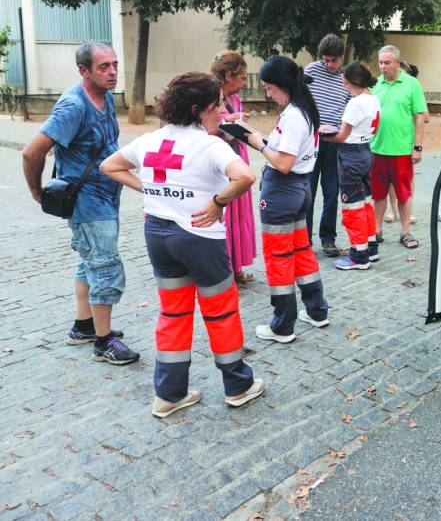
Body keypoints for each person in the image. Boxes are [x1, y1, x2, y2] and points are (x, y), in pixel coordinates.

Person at [100, 72, 265, 417]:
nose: (221, 109)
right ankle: (238, 386)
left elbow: (110, 165)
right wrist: (219, 202)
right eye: (216, 104)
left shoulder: (149, 140)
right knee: (221, 314)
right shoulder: (209, 145)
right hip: (199, 238)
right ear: (198, 108)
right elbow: (246, 177)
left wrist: (149, 189)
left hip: (159, 235)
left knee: (173, 315)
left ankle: (169, 394)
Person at [21, 42, 139, 365]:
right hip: (87, 202)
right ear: (84, 70)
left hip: (107, 196)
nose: (113, 71)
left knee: (89, 262)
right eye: (104, 67)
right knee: (105, 266)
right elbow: (32, 152)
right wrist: (36, 191)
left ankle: (83, 326)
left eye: (114, 64)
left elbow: (107, 145)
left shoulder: (105, 97)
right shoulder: (73, 106)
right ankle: (104, 341)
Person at [241, 56, 329, 343]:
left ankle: (282, 325)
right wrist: (255, 135)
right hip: (300, 190)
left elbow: (283, 163)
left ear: (282, 85)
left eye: (268, 88)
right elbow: (285, 148)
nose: (268, 94)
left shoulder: (293, 115)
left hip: (282, 191)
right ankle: (316, 310)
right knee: (302, 251)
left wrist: (258, 145)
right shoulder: (304, 110)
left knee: (278, 259)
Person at [371, 45, 427, 249]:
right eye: (380, 63)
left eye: (387, 62)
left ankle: (405, 233)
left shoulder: (411, 84)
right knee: (378, 194)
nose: (383, 67)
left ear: (397, 62)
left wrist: (417, 147)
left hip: (402, 151)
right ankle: (376, 231)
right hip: (376, 149)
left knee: (403, 194)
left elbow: (420, 116)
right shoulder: (375, 84)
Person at [210, 51, 258, 285]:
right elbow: (206, 129)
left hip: (239, 158)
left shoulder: (235, 99)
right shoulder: (212, 97)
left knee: (239, 216)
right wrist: (228, 122)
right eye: (242, 77)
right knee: (225, 217)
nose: (245, 82)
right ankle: (224, 268)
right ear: (229, 75)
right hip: (221, 164)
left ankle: (237, 266)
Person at [328, 62, 380, 270]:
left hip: (350, 155)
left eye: (345, 83)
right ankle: (370, 247)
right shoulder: (373, 99)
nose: (343, 86)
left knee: (352, 206)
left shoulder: (355, 103)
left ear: (353, 82)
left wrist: (321, 135)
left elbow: (341, 136)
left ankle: (359, 256)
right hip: (366, 151)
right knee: (366, 202)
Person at [304, 34, 350, 257]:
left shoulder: (347, 77)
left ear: (342, 58)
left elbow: (351, 108)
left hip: (335, 142)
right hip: (312, 141)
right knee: (308, 191)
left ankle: (328, 239)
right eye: (326, 60)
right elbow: (300, 97)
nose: (329, 65)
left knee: (332, 192)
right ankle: (305, 240)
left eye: (333, 60)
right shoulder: (311, 71)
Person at [384, 61, 425, 227]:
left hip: (405, 143)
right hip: (387, 143)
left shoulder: (412, 87)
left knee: (405, 181)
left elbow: (424, 115)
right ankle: (393, 211)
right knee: (390, 182)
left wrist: (417, 147)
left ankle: (406, 213)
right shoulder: (385, 85)